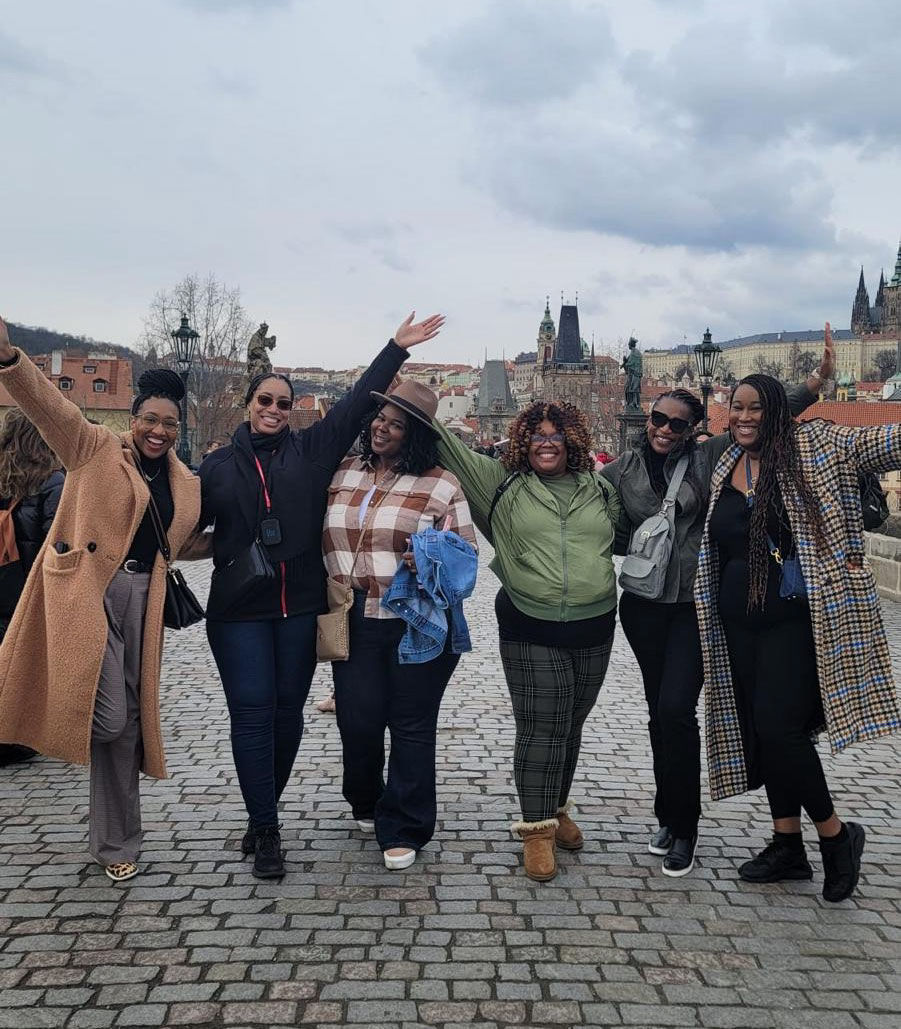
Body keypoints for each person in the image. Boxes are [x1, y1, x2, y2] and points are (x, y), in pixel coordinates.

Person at [198, 312, 443, 880]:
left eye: (284, 403)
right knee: (253, 711)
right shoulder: (215, 466)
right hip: (238, 611)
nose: (274, 410)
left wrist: (394, 348)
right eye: (266, 399)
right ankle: (266, 827)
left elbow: (358, 403)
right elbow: (184, 519)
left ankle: (264, 810)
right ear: (248, 402)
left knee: (288, 717)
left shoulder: (311, 452)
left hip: (299, 608)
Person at [602, 347, 832, 877]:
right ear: (648, 419)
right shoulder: (620, 470)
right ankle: (668, 813)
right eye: (658, 418)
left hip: (694, 608)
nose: (665, 429)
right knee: (660, 713)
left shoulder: (707, 459)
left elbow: (770, 415)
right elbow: (594, 514)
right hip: (643, 608)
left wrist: (816, 382)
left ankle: (685, 828)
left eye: (678, 423)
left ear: (693, 430)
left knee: (678, 709)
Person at [0, 315, 206, 882]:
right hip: (89, 595)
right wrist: (10, 361)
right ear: (133, 419)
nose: (158, 431)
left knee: (131, 726)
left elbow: (178, 543)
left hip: (146, 599)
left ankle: (118, 843)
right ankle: (46, 710)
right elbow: (50, 410)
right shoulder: (92, 449)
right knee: (111, 718)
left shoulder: (186, 481)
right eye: (149, 420)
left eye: (169, 422)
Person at [695, 344, 900, 902]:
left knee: (782, 728)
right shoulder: (725, 463)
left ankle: (837, 836)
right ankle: (787, 842)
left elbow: (888, 442)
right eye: (736, 406)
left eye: (756, 408)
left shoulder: (819, 443)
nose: (743, 416)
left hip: (798, 622)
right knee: (761, 731)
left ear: (778, 412)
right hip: (737, 623)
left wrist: (818, 392)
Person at [433, 401, 621, 881]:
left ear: (572, 441)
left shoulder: (600, 487)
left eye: (557, 435)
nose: (546, 442)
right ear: (522, 440)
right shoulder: (500, 484)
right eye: (537, 434)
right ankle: (536, 831)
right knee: (543, 724)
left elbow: (623, 533)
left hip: (595, 621)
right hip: (530, 621)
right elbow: (444, 443)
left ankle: (556, 808)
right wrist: (396, 376)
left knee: (571, 722)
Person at [322, 380, 477, 871]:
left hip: (418, 623)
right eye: (379, 419)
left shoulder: (442, 484)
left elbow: (466, 559)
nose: (380, 428)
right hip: (354, 615)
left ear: (414, 436)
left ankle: (405, 824)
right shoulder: (345, 471)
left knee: (411, 725)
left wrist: (429, 557)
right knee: (358, 719)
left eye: (393, 424)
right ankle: (365, 797)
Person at [0, 408, 64, 766]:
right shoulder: (52, 481)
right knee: (21, 662)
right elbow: (57, 540)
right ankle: (15, 735)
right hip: (26, 587)